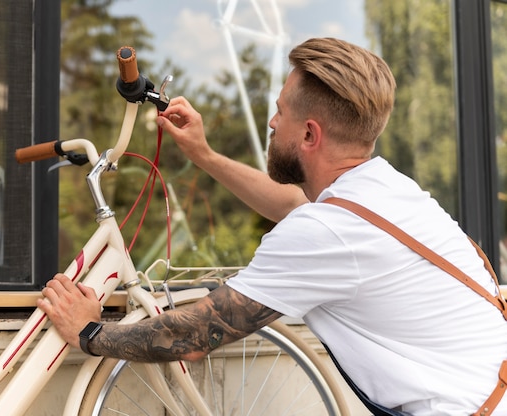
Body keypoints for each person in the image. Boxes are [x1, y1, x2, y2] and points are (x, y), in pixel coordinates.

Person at [38, 37, 507, 415]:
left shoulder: (326, 233)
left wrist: (89, 332)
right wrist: (203, 155)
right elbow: (291, 202)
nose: (271, 121)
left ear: (309, 134)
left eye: (281, 111)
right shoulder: (382, 186)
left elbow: (193, 337)